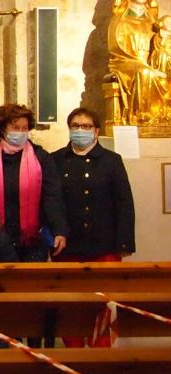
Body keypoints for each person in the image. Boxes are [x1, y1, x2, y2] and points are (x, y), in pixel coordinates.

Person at [0, 103, 69, 262]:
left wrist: (59, 230)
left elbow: (52, 197)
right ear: (3, 129)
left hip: (32, 242)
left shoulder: (42, 158)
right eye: (15, 127)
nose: (20, 132)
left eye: (24, 128)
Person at [50, 107, 135, 261]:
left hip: (103, 245)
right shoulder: (56, 159)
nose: (80, 130)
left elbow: (124, 204)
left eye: (86, 126)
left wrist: (124, 243)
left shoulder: (111, 160)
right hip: (67, 243)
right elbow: (51, 201)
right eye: (75, 126)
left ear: (96, 131)